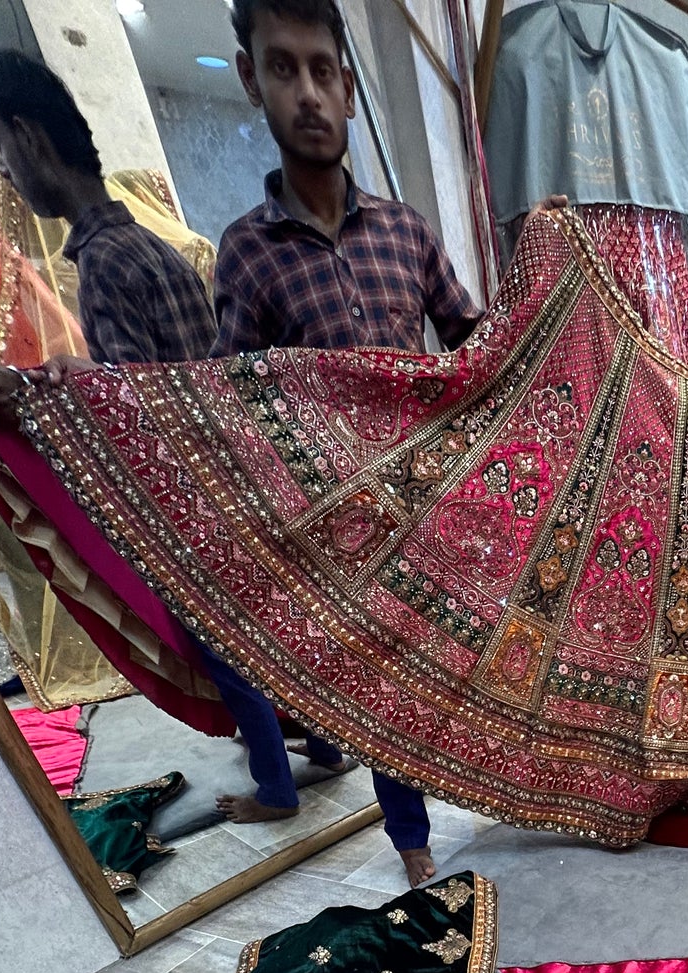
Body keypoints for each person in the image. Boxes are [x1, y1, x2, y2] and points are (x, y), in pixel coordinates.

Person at [0, 49, 350, 822]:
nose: (8, 178)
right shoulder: (154, 248)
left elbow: (129, 410)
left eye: (5, 146)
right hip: (230, 475)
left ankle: (276, 790)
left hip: (185, 500)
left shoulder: (105, 264)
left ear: (30, 141)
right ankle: (327, 746)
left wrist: (33, 396)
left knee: (223, 647)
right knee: (260, 634)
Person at [216, 0, 491, 886]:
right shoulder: (248, 254)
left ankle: (525, 786)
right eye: (282, 68)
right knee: (382, 692)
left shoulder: (404, 231)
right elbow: (229, 401)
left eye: (322, 70)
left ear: (346, 86)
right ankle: (412, 843)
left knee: (490, 659)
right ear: (251, 78)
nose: (307, 93)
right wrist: (63, 389)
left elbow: (477, 344)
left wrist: (547, 271)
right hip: (340, 535)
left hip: (433, 509)